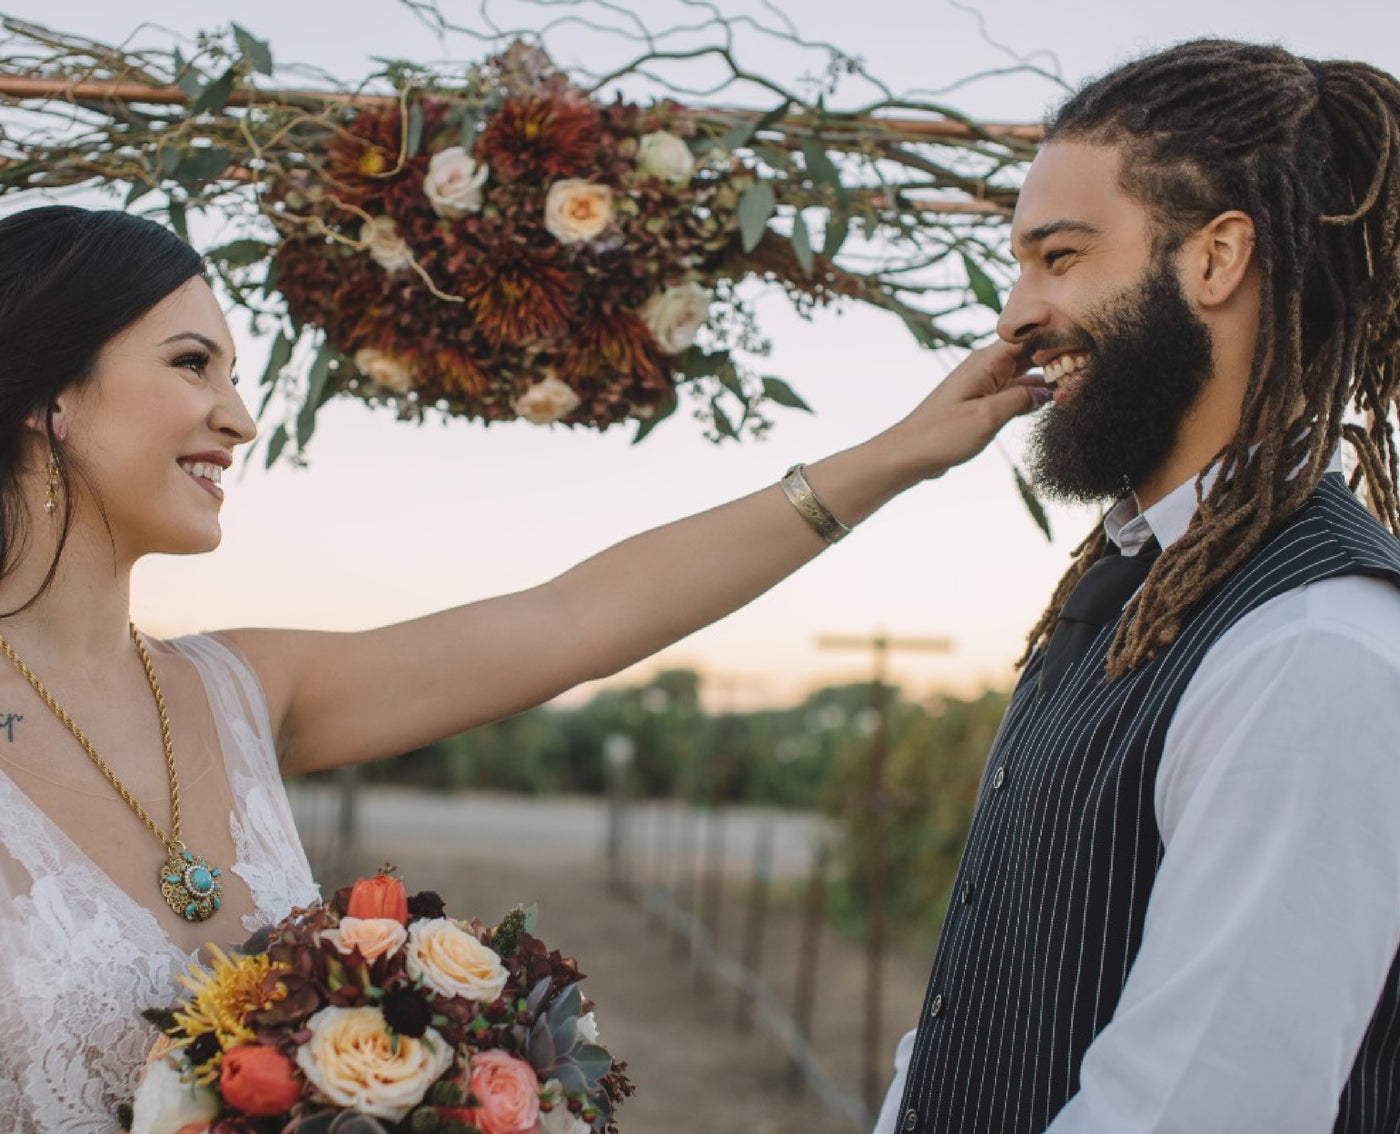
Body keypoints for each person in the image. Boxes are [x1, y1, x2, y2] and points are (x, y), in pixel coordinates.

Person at [0, 203, 1045, 1132]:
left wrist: (898, 454)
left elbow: (575, 619)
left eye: (235, 373)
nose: (240, 418)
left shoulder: (241, 691)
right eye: (192, 365)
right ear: (51, 392)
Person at [873, 39, 1400, 1134]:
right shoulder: (1126, 580)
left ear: (1215, 259)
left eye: (1058, 257)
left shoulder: (1313, 646)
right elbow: (987, 993)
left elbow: (1193, 1107)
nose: (1014, 314)